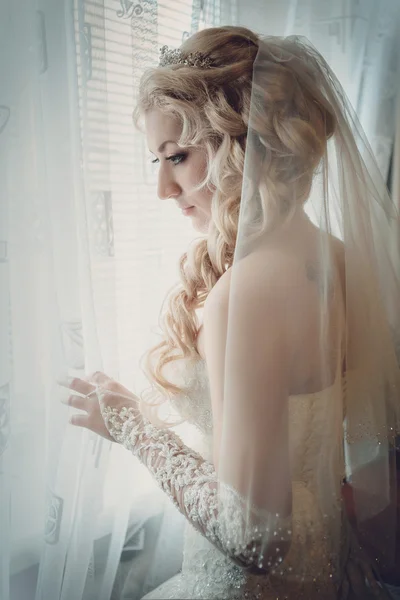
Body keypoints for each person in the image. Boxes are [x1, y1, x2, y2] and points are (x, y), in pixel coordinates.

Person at [59, 26, 400, 599]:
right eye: (156, 161)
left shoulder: (243, 298)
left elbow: (257, 539)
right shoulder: (337, 260)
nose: (164, 187)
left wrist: (134, 429)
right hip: (326, 574)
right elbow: (360, 449)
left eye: (178, 157)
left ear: (246, 148)